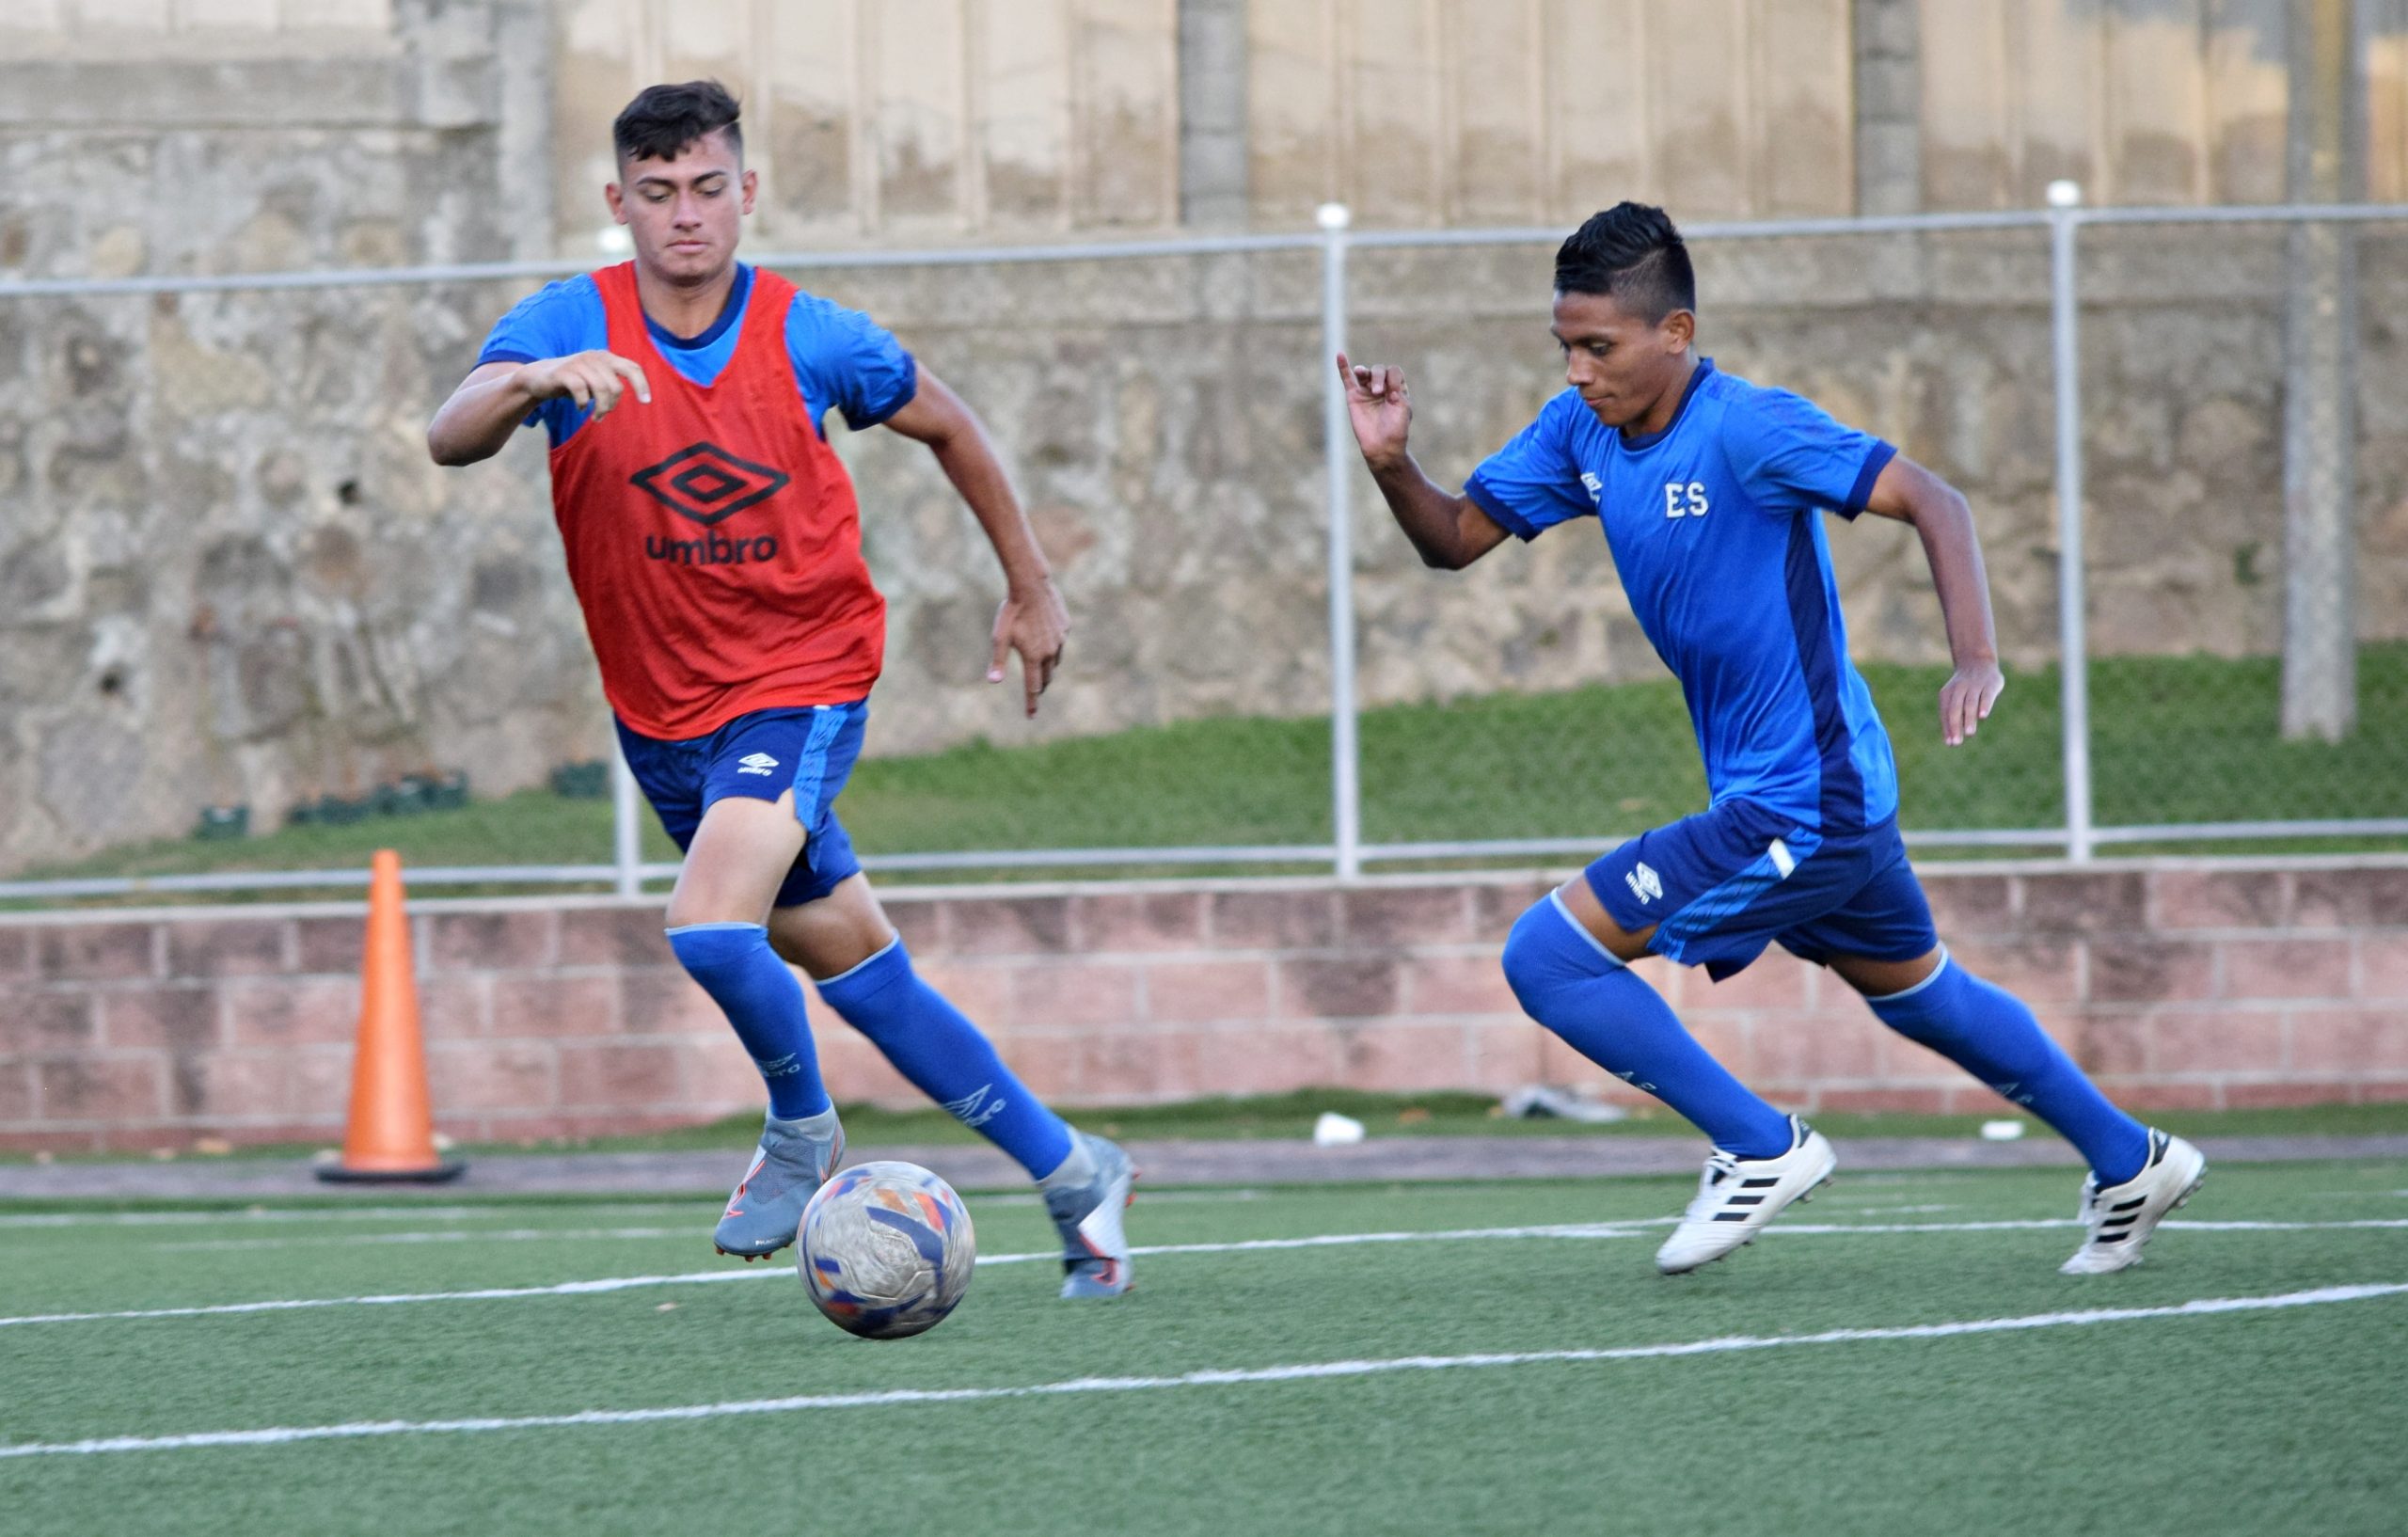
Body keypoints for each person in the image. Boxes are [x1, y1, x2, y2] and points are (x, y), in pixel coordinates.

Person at [1337, 201, 2202, 1277]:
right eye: (1564, 346)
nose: (1576, 371)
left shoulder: (1749, 427)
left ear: (1676, 332)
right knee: (1923, 994)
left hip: (1801, 800)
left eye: (1598, 347)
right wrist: (1392, 464)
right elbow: (1456, 537)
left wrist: (1974, 654)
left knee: (1547, 955)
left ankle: (1759, 1144)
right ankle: (2130, 1159)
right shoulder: (1578, 432)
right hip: (1824, 794)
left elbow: (1933, 498)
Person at [427, 80, 1133, 1298]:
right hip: (662, 717)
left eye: (707, 188)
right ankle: (1075, 1169)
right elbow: (449, 432)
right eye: (657, 192)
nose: (685, 214)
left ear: (746, 191)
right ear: (618, 201)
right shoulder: (566, 321)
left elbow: (950, 422)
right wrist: (531, 383)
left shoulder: (812, 335)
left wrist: (1030, 583)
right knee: (853, 960)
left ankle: (801, 1123)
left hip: (800, 678)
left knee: (711, 925)